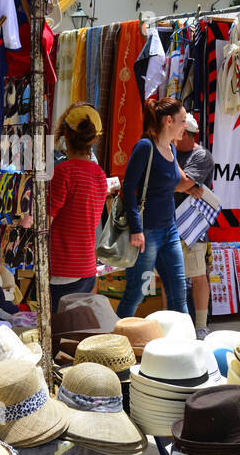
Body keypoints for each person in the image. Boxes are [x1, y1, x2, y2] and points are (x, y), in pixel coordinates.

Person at [116, 97, 188, 319]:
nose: (186, 125)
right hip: (146, 233)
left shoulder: (171, 149)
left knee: (179, 292)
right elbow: (128, 189)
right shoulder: (145, 146)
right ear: (169, 121)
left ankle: (186, 344)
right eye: (182, 120)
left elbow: (170, 186)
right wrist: (137, 229)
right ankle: (116, 342)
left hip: (170, 230)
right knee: (136, 293)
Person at [46, 103, 109, 312]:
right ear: (94, 139)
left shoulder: (64, 172)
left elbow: (48, 218)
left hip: (63, 268)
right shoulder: (99, 174)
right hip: (88, 267)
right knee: (75, 329)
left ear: (66, 133)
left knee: (57, 330)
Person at [174, 112, 215, 335]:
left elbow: (180, 182)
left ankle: (201, 325)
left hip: (193, 224)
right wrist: (187, 187)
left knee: (198, 275)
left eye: (179, 135)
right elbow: (158, 183)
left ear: (188, 134)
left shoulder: (201, 156)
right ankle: (173, 321)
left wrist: (184, 185)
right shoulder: (170, 150)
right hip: (169, 222)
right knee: (170, 276)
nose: (175, 138)